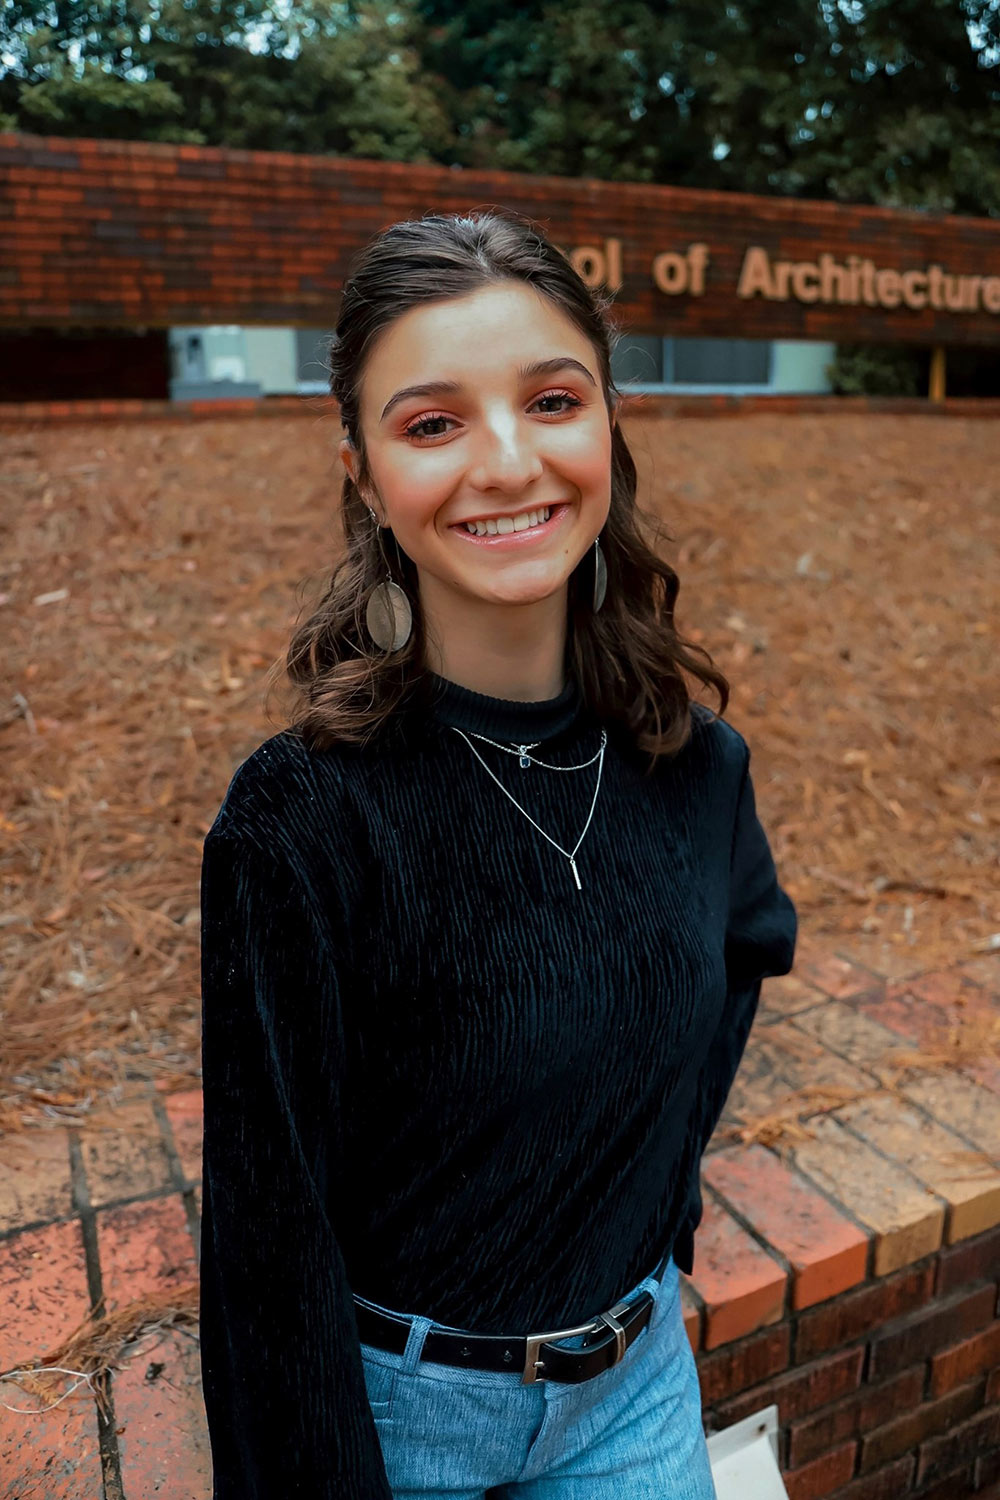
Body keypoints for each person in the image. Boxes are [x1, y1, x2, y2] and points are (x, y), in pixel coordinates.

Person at [198, 208, 798, 1500]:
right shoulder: (302, 819)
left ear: (610, 423)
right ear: (361, 471)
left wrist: (659, 1197)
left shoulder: (695, 766)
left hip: (636, 1399)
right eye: (433, 423)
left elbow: (750, 951)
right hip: (403, 1420)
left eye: (553, 399)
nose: (509, 462)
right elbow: (267, 1226)